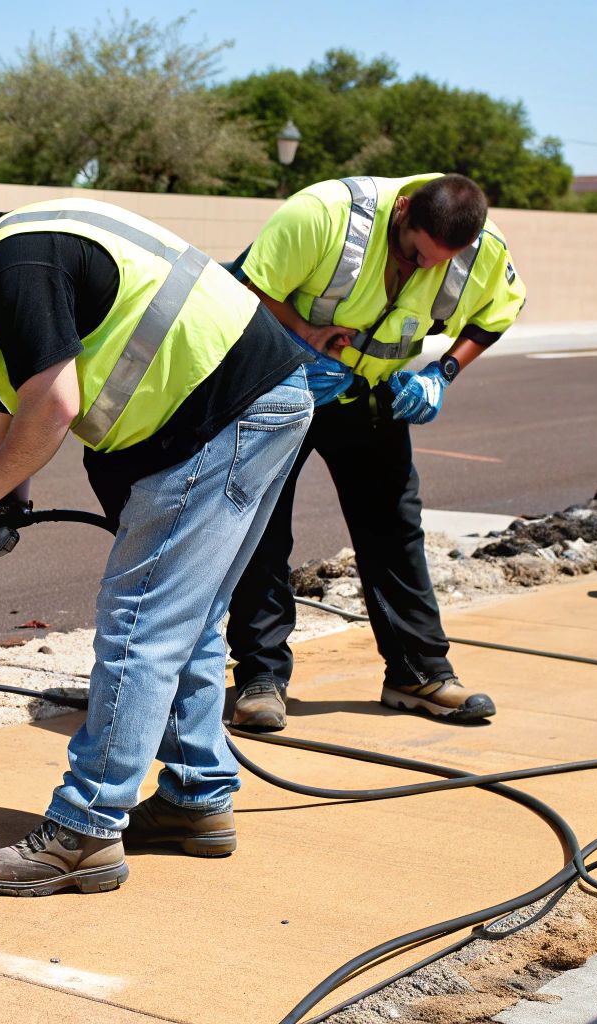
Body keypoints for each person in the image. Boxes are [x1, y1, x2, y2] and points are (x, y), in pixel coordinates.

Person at [0, 197, 314, 896]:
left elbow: (56, 405)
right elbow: (19, 406)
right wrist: (12, 495)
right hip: (250, 404)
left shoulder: (14, 264)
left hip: (220, 412)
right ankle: (197, 799)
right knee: (185, 623)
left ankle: (86, 830)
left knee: (139, 621)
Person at [224, 173, 527, 732]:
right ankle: (260, 679)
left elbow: (500, 311)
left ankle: (418, 671)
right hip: (284, 386)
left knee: (393, 528)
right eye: (415, 254)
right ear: (403, 210)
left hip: (369, 395)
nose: (423, 270)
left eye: (440, 262)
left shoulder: (482, 249)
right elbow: (244, 287)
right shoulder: (322, 216)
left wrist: (443, 372)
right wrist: (302, 336)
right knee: (263, 530)